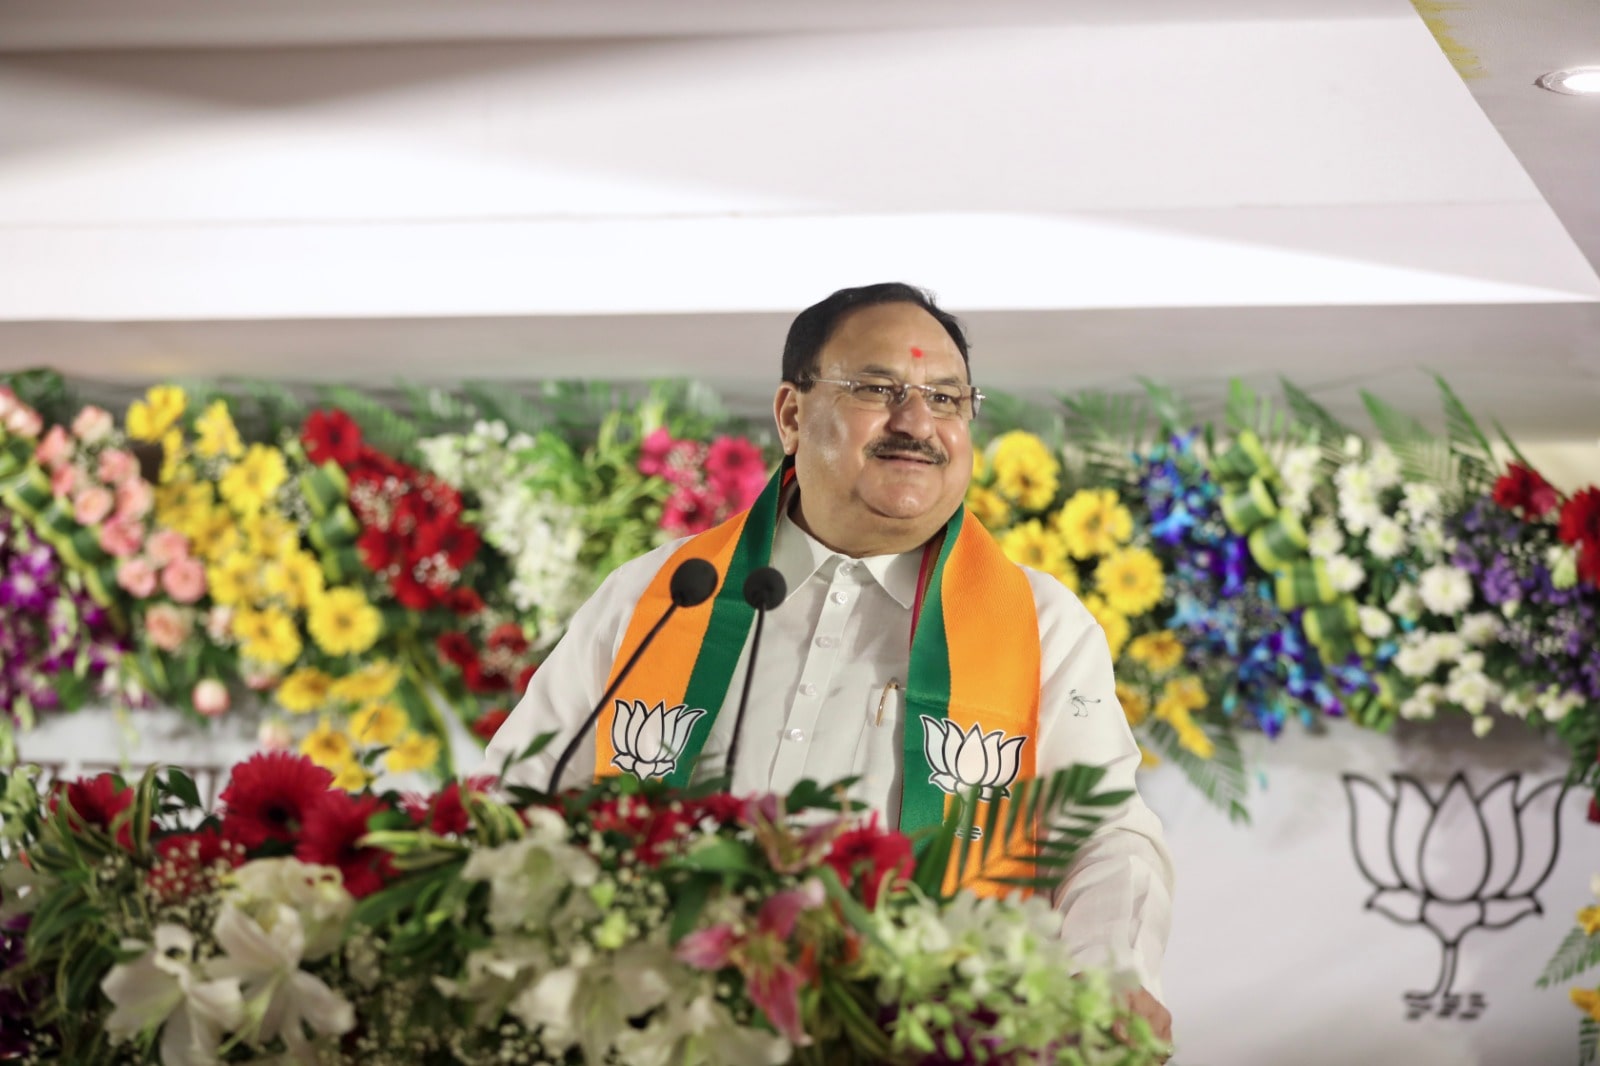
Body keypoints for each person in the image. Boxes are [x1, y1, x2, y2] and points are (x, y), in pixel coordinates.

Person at [482, 282, 1175, 1042]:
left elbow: (1105, 836)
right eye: (878, 389)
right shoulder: (663, 596)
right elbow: (519, 792)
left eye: (947, 400)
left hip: (915, 1036)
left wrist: (1110, 975)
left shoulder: (1041, 625)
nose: (918, 424)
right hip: (656, 1031)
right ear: (790, 414)